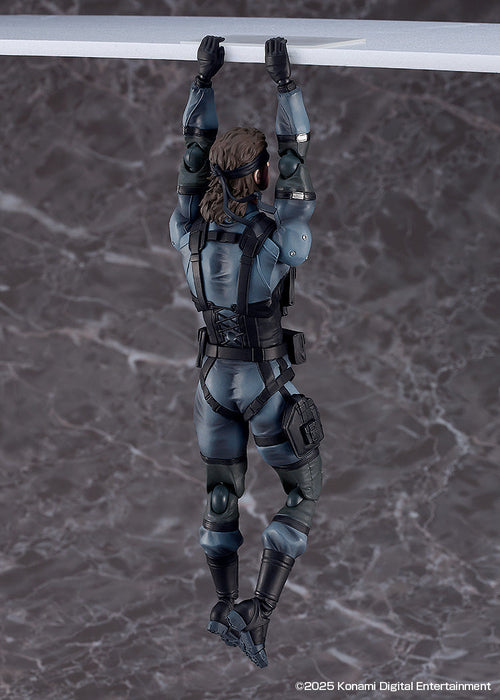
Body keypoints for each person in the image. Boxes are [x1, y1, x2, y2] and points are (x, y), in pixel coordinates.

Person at [169, 35, 323, 668]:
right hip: (263, 380)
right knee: (303, 493)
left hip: (212, 383)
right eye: (264, 167)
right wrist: (286, 88)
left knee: (219, 494)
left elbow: (191, 155)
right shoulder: (277, 238)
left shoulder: (187, 232)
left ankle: (223, 603)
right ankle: (258, 610)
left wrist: (202, 81)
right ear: (258, 173)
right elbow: (296, 162)